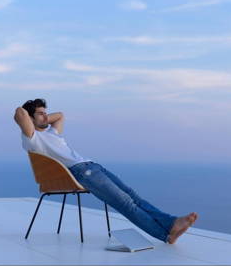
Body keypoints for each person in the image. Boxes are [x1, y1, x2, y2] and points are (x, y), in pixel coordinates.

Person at [14, 98, 198, 244]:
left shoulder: (51, 133)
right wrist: (33, 117)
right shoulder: (32, 138)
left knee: (134, 197)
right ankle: (165, 235)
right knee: (126, 204)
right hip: (81, 172)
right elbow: (20, 112)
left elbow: (61, 115)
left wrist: (42, 116)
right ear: (30, 119)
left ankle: (171, 223)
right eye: (40, 114)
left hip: (92, 166)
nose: (46, 117)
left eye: (46, 113)